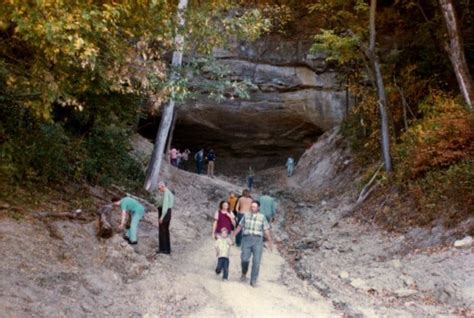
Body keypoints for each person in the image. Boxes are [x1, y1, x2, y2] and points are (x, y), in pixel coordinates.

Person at [232, 201, 273, 287]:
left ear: (258, 208)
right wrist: (233, 235)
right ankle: (244, 273)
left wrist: (270, 242)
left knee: (256, 261)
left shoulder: (262, 217)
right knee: (244, 259)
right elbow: (240, 226)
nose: (252, 208)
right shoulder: (246, 215)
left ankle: (253, 280)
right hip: (246, 239)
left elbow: (266, 230)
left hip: (258, 240)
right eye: (252, 206)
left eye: (254, 207)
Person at [153, 182, 175, 254]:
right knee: (166, 231)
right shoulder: (169, 193)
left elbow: (165, 206)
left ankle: (163, 249)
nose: (159, 190)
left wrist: (161, 217)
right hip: (169, 212)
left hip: (165, 213)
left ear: (162, 187)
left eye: (159, 188)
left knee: (162, 232)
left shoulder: (166, 193)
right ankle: (167, 249)